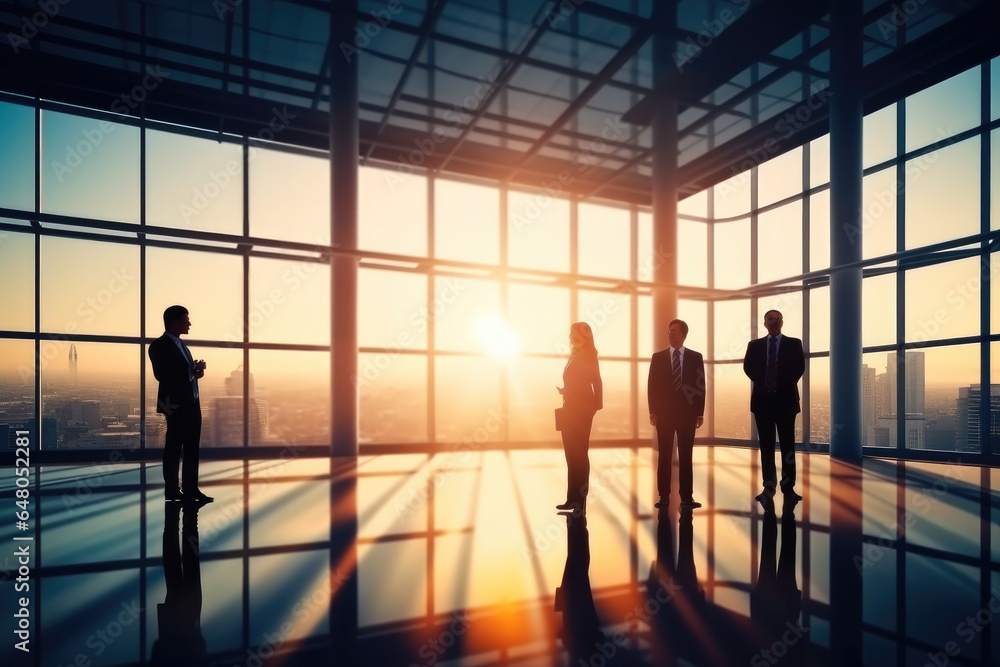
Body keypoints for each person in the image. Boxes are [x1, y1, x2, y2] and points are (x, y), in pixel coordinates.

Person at [149, 305, 213, 504]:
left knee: (192, 448)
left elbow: (184, 375)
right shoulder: (158, 346)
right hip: (175, 405)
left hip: (191, 404)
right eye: (186, 320)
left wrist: (196, 371)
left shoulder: (181, 345)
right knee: (174, 448)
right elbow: (161, 375)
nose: (190, 323)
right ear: (174, 321)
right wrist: (189, 372)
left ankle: (190, 489)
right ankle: (172, 490)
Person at [743, 309, 805, 505]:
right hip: (763, 403)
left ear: (782, 322)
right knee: (767, 448)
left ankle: (789, 488)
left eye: (777, 319)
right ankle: (768, 487)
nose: (774, 322)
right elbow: (748, 367)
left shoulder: (794, 344)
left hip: (786, 401)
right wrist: (766, 383)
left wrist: (778, 383)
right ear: (765, 323)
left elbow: (799, 368)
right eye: (771, 319)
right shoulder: (754, 345)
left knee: (788, 448)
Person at [647, 319, 705, 509]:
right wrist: (653, 411)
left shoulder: (696, 357)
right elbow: (651, 386)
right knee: (664, 455)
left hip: (687, 415)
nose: (670, 333)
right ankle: (663, 496)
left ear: (683, 334)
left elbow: (700, 386)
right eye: (669, 330)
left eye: (674, 331)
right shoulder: (658, 357)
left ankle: (687, 497)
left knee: (686, 456)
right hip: (663, 415)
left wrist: (699, 413)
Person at [556, 322, 602, 514]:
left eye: (574, 333)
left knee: (579, 454)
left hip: (581, 411)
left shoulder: (588, 355)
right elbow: (579, 382)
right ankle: (572, 498)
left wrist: (596, 405)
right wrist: (566, 391)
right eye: (570, 333)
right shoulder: (574, 355)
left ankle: (579, 500)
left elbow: (596, 380)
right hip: (570, 407)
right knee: (571, 454)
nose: (571, 337)